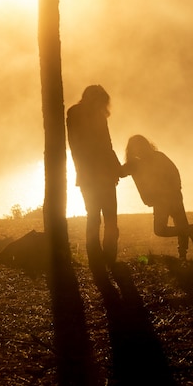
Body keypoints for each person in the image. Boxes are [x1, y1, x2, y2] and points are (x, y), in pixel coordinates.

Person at [66, 85, 122, 269]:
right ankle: (109, 256)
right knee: (110, 217)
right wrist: (115, 169)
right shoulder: (95, 116)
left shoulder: (73, 113)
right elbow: (106, 145)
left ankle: (95, 257)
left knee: (93, 216)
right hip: (100, 173)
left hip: (87, 173)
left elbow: (77, 147)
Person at [121, 134, 193, 261]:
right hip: (169, 197)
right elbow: (120, 172)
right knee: (178, 225)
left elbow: (174, 173)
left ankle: (183, 253)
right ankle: (184, 248)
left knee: (161, 229)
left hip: (165, 198)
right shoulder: (136, 163)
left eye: (138, 147)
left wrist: (172, 191)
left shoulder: (149, 160)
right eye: (134, 148)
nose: (137, 150)